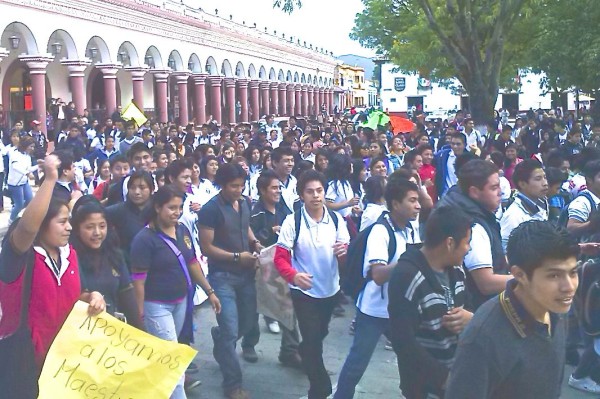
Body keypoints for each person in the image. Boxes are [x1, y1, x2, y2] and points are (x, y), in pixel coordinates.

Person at [0, 155, 105, 398]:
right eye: (62, 221)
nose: (70, 227)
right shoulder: (21, 258)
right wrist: (50, 179)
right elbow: (27, 227)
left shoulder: (70, 257)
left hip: (64, 363)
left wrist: (93, 297)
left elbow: (73, 298)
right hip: (24, 365)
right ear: (42, 225)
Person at [445, 221, 579, 399]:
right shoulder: (483, 338)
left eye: (573, 272)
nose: (569, 287)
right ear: (519, 275)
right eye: (554, 275)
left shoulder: (555, 309)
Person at [334, 177, 422, 399]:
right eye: (412, 200)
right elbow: (378, 275)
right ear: (395, 204)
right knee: (358, 361)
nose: (418, 206)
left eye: (418, 200)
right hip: (375, 310)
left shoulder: (411, 229)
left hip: (401, 309)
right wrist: (409, 260)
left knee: (412, 357)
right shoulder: (380, 232)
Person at [131, 185, 221, 399]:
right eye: (171, 207)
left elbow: (192, 262)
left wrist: (210, 291)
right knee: (171, 357)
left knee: (169, 353)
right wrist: (140, 314)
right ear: (157, 207)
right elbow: (138, 281)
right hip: (156, 305)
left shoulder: (182, 230)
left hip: (181, 302)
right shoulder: (144, 240)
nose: (176, 212)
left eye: (179, 207)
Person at [274, 170, 350, 399]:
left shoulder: (336, 220)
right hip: (303, 292)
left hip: (330, 289)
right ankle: (319, 389)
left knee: (318, 334)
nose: (316, 196)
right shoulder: (293, 221)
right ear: (301, 195)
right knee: (314, 342)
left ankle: (302, 352)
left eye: (319, 191)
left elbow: (346, 257)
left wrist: (343, 253)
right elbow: (280, 257)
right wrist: (293, 276)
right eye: (310, 192)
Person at [388, 206, 473, 399]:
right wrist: (443, 378)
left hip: (457, 378)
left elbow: (469, 308)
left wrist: (470, 319)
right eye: (467, 242)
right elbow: (403, 341)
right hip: (424, 387)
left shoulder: (457, 271)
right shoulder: (407, 276)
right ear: (450, 243)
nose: (468, 249)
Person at [198, 163, 263, 399]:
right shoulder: (210, 209)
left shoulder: (244, 202)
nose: (238, 190)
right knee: (229, 331)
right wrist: (237, 257)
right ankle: (232, 384)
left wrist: (254, 242)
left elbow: (245, 228)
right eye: (233, 186)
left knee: (246, 323)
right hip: (222, 276)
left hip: (246, 274)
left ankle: (221, 338)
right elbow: (207, 248)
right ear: (222, 185)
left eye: (241, 185)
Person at [246, 169, 302, 368]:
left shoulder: (283, 209)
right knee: (253, 310)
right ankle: (248, 343)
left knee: (287, 307)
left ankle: (290, 350)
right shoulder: (255, 212)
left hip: (280, 266)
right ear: (262, 190)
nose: (278, 191)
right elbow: (250, 239)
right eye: (274, 188)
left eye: (280, 187)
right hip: (259, 268)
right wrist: (269, 232)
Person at [437, 159, 509, 310]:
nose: (500, 192)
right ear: (474, 192)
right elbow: (486, 283)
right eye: (494, 188)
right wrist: (528, 280)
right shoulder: (473, 226)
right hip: (478, 310)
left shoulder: (467, 209)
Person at [70, 196, 143, 329]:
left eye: (102, 226)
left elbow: (127, 297)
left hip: (109, 332)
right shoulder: (69, 258)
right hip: (78, 333)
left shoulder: (115, 256)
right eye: (90, 227)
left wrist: (143, 335)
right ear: (77, 229)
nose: (97, 233)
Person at [105, 171, 154, 268]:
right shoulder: (117, 211)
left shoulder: (158, 211)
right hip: (128, 266)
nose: (136, 192)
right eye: (132, 188)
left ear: (151, 189)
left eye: (142, 188)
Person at [500, 159, 548, 252]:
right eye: (538, 179)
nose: (545, 183)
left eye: (545, 177)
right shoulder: (514, 216)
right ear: (522, 184)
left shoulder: (541, 205)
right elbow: (505, 251)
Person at [7, 136, 37, 223]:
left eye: (33, 147)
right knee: (19, 204)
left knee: (30, 201)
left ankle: (17, 212)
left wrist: (39, 166)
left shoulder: (27, 156)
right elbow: (15, 166)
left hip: (24, 182)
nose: (32, 148)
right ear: (25, 145)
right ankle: (11, 219)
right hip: (15, 183)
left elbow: (29, 168)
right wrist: (27, 173)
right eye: (30, 146)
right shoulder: (15, 153)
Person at [435, 132, 466, 196]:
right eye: (453, 144)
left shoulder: (469, 158)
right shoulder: (443, 155)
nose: (455, 146)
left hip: (463, 196)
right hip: (446, 195)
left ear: (464, 145)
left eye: (458, 144)